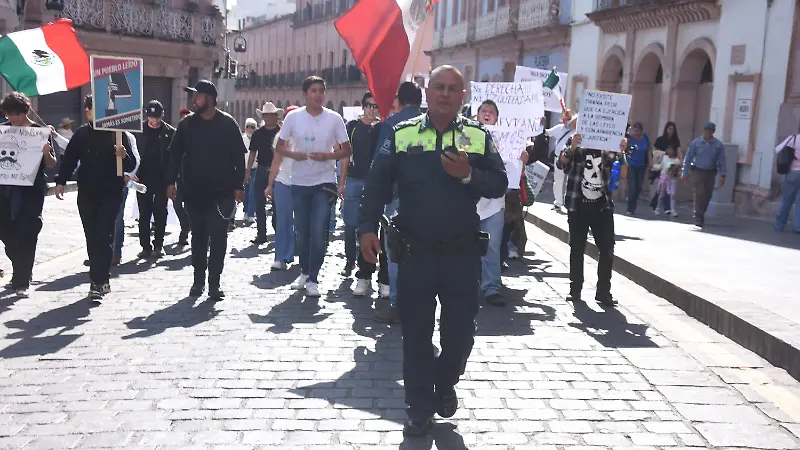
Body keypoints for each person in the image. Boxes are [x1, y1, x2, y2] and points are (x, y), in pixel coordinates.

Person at [359, 65, 507, 436]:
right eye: (438, 87)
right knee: (416, 335)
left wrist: (469, 175)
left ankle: (446, 380)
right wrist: (365, 228)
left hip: (461, 254)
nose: (444, 93)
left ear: (462, 96)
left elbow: (500, 183)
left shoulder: (477, 136)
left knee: (460, 335)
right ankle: (419, 407)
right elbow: (377, 183)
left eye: (452, 89)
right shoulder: (401, 133)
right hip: (415, 253)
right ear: (428, 92)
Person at [167, 80, 246, 299]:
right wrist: (171, 182)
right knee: (198, 238)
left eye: (198, 96)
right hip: (194, 192)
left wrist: (239, 186)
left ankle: (214, 283)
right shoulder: (186, 124)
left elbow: (239, 157)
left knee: (219, 238)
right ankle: (198, 281)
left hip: (222, 194)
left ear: (210, 98)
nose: (194, 99)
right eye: (193, 96)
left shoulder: (228, 124)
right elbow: (174, 154)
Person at [275, 76, 352, 297]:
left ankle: (314, 278)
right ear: (305, 94)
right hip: (299, 182)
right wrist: (296, 155)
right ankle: (304, 271)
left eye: (321, 91)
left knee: (319, 231)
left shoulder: (334, 119)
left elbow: (346, 150)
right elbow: (280, 147)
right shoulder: (293, 118)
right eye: (314, 91)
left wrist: (328, 155)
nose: (318, 95)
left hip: (325, 181)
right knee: (302, 232)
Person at [55, 94, 136, 300]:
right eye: (86, 107)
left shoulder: (118, 134)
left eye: (92, 107)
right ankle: (99, 278)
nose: (88, 111)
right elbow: (70, 159)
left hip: (111, 192)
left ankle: (99, 281)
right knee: (91, 235)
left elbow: (131, 164)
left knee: (104, 234)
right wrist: (61, 181)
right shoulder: (81, 134)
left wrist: (123, 155)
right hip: (87, 192)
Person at [371, 82, 423, 324]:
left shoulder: (392, 124)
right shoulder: (430, 123)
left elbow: (380, 166)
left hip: (396, 197)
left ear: (399, 101)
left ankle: (397, 303)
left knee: (395, 251)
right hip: (424, 198)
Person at [558, 133, 626, 307]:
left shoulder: (609, 144)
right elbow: (561, 163)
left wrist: (621, 152)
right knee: (577, 248)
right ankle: (575, 290)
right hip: (577, 205)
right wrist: (572, 147)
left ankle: (603, 292)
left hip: (602, 207)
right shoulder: (577, 142)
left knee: (607, 248)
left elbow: (623, 172)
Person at [0, 92, 57, 297]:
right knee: (6, 231)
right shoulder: (3, 130)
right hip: (5, 190)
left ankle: (22, 280)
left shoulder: (40, 131)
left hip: (31, 191)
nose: (12, 119)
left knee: (27, 232)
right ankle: (20, 270)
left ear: (25, 112)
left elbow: (52, 164)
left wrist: (45, 152)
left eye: (16, 114)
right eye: (8, 114)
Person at [474, 99, 529, 307]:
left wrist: (521, 161)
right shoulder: (467, 134)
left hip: (495, 203)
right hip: (470, 202)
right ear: (477, 115)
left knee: (492, 246)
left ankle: (492, 288)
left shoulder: (507, 138)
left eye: (491, 112)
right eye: (484, 111)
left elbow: (514, 174)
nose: (487, 114)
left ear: (497, 117)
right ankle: (468, 284)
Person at [339, 91, 388, 297]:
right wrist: (341, 182)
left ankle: (377, 277)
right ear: (362, 106)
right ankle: (356, 267)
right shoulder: (352, 127)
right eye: (368, 105)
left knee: (378, 230)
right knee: (355, 227)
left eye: (375, 106)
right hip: (354, 180)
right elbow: (344, 156)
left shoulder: (383, 128)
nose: (371, 109)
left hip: (377, 184)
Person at [135, 100, 175, 259]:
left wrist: (172, 179)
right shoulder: (138, 131)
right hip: (141, 179)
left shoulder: (170, 132)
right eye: (152, 117)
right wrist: (132, 171)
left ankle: (159, 244)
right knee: (143, 213)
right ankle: (145, 246)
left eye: (157, 117)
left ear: (162, 115)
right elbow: (131, 151)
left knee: (160, 212)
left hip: (161, 179)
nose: (154, 121)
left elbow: (174, 158)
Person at [265, 105, 299, 271]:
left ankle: (302, 254)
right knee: (283, 220)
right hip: (283, 183)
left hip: (304, 184)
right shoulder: (281, 138)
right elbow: (276, 163)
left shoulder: (308, 136)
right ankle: (281, 257)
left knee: (303, 222)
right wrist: (270, 184)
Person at [246, 102, 282, 244]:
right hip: (261, 169)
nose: (267, 117)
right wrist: (247, 173)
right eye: (265, 115)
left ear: (275, 116)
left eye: (270, 115)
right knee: (259, 203)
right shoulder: (257, 134)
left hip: (278, 171)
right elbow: (252, 154)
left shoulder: (281, 132)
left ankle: (278, 230)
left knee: (277, 203)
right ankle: (261, 234)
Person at [681, 121, 726, 228]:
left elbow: (722, 161)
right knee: (700, 193)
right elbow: (688, 158)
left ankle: (701, 212)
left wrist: (722, 175)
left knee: (707, 195)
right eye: (706, 130)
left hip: (711, 172)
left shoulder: (718, 145)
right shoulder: (696, 143)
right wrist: (685, 172)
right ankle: (698, 216)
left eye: (710, 130)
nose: (707, 132)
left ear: (713, 131)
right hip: (698, 171)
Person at [111, 131, 141, 266]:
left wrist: (128, 175)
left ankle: (115, 253)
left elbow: (136, 159)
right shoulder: (96, 134)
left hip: (120, 183)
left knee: (117, 217)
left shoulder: (127, 136)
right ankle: (99, 253)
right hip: (100, 182)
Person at [545, 111, 577, 212]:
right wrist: (542, 125)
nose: (566, 122)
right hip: (558, 158)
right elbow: (547, 132)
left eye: (568, 119)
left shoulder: (576, 131)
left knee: (570, 182)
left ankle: (569, 203)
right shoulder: (559, 128)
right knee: (558, 181)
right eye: (564, 119)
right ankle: (558, 203)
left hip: (571, 159)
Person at [649, 121, 681, 212]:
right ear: (666, 129)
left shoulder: (675, 141)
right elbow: (654, 151)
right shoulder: (660, 139)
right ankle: (664, 206)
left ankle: (658, 204)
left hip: (670, 164)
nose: (671, 131)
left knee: (665, 186)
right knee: (663, 186)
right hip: (662, 164)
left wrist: (680, 161)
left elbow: (678, 151)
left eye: (673, 129)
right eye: (669, 129)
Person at [774, 129, 800, 232]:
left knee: (786, 200)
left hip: (791, 173)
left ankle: (780, 224)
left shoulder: (793, 138)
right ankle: (798, 226)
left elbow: (778, 149)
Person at [623, 122, 651, 215]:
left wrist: (650, 160)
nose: (635, 132)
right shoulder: (629, 139)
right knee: (632, 186)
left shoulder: (645, 138)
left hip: (642, 165)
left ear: (641, 130)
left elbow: (648, 150)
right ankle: (630, 208)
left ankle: (633, 201)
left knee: (639, 186)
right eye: (634, 129)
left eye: (637, 130)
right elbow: (623, 149)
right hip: (631, 165)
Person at [653, 146, 681, 217]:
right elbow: (661, 166)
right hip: (664, 178)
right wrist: (653, 166)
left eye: (671, 149)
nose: (669, 151)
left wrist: (675, 169)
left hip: (672, 179)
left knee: (673, 194)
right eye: (668, 149)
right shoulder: (665, 158)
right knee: (661, 194)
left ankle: (673, 210)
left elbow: (677, 170)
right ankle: (657, 208)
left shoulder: (677, 160)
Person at [242, 118, 258, 225]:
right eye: (248, 126)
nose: (250, 129)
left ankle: (251, 213)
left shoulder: (257, 139)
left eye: (253, 127)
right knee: (246, 191)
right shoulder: (242, 138)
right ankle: (246, 211)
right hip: (243, 169)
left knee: (253, 192)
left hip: (255, 168)